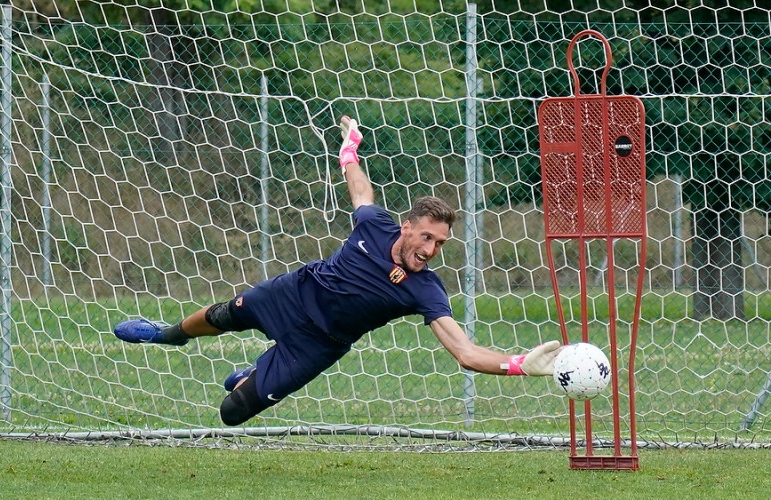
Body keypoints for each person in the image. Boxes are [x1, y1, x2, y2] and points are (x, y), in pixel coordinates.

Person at [114, 115, 562, 426]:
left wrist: (520, 365)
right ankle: (166, 334)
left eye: (440, 243)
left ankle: (253, 374)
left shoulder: (425, 290)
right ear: (406, 227)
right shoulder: (375, 225)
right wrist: (350, 150)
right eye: (426, 237)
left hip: (319, 344)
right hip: (293, 294)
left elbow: (465, 353)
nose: (430, 250)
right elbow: (361, 193)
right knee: (222, 315)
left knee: (231, 413)